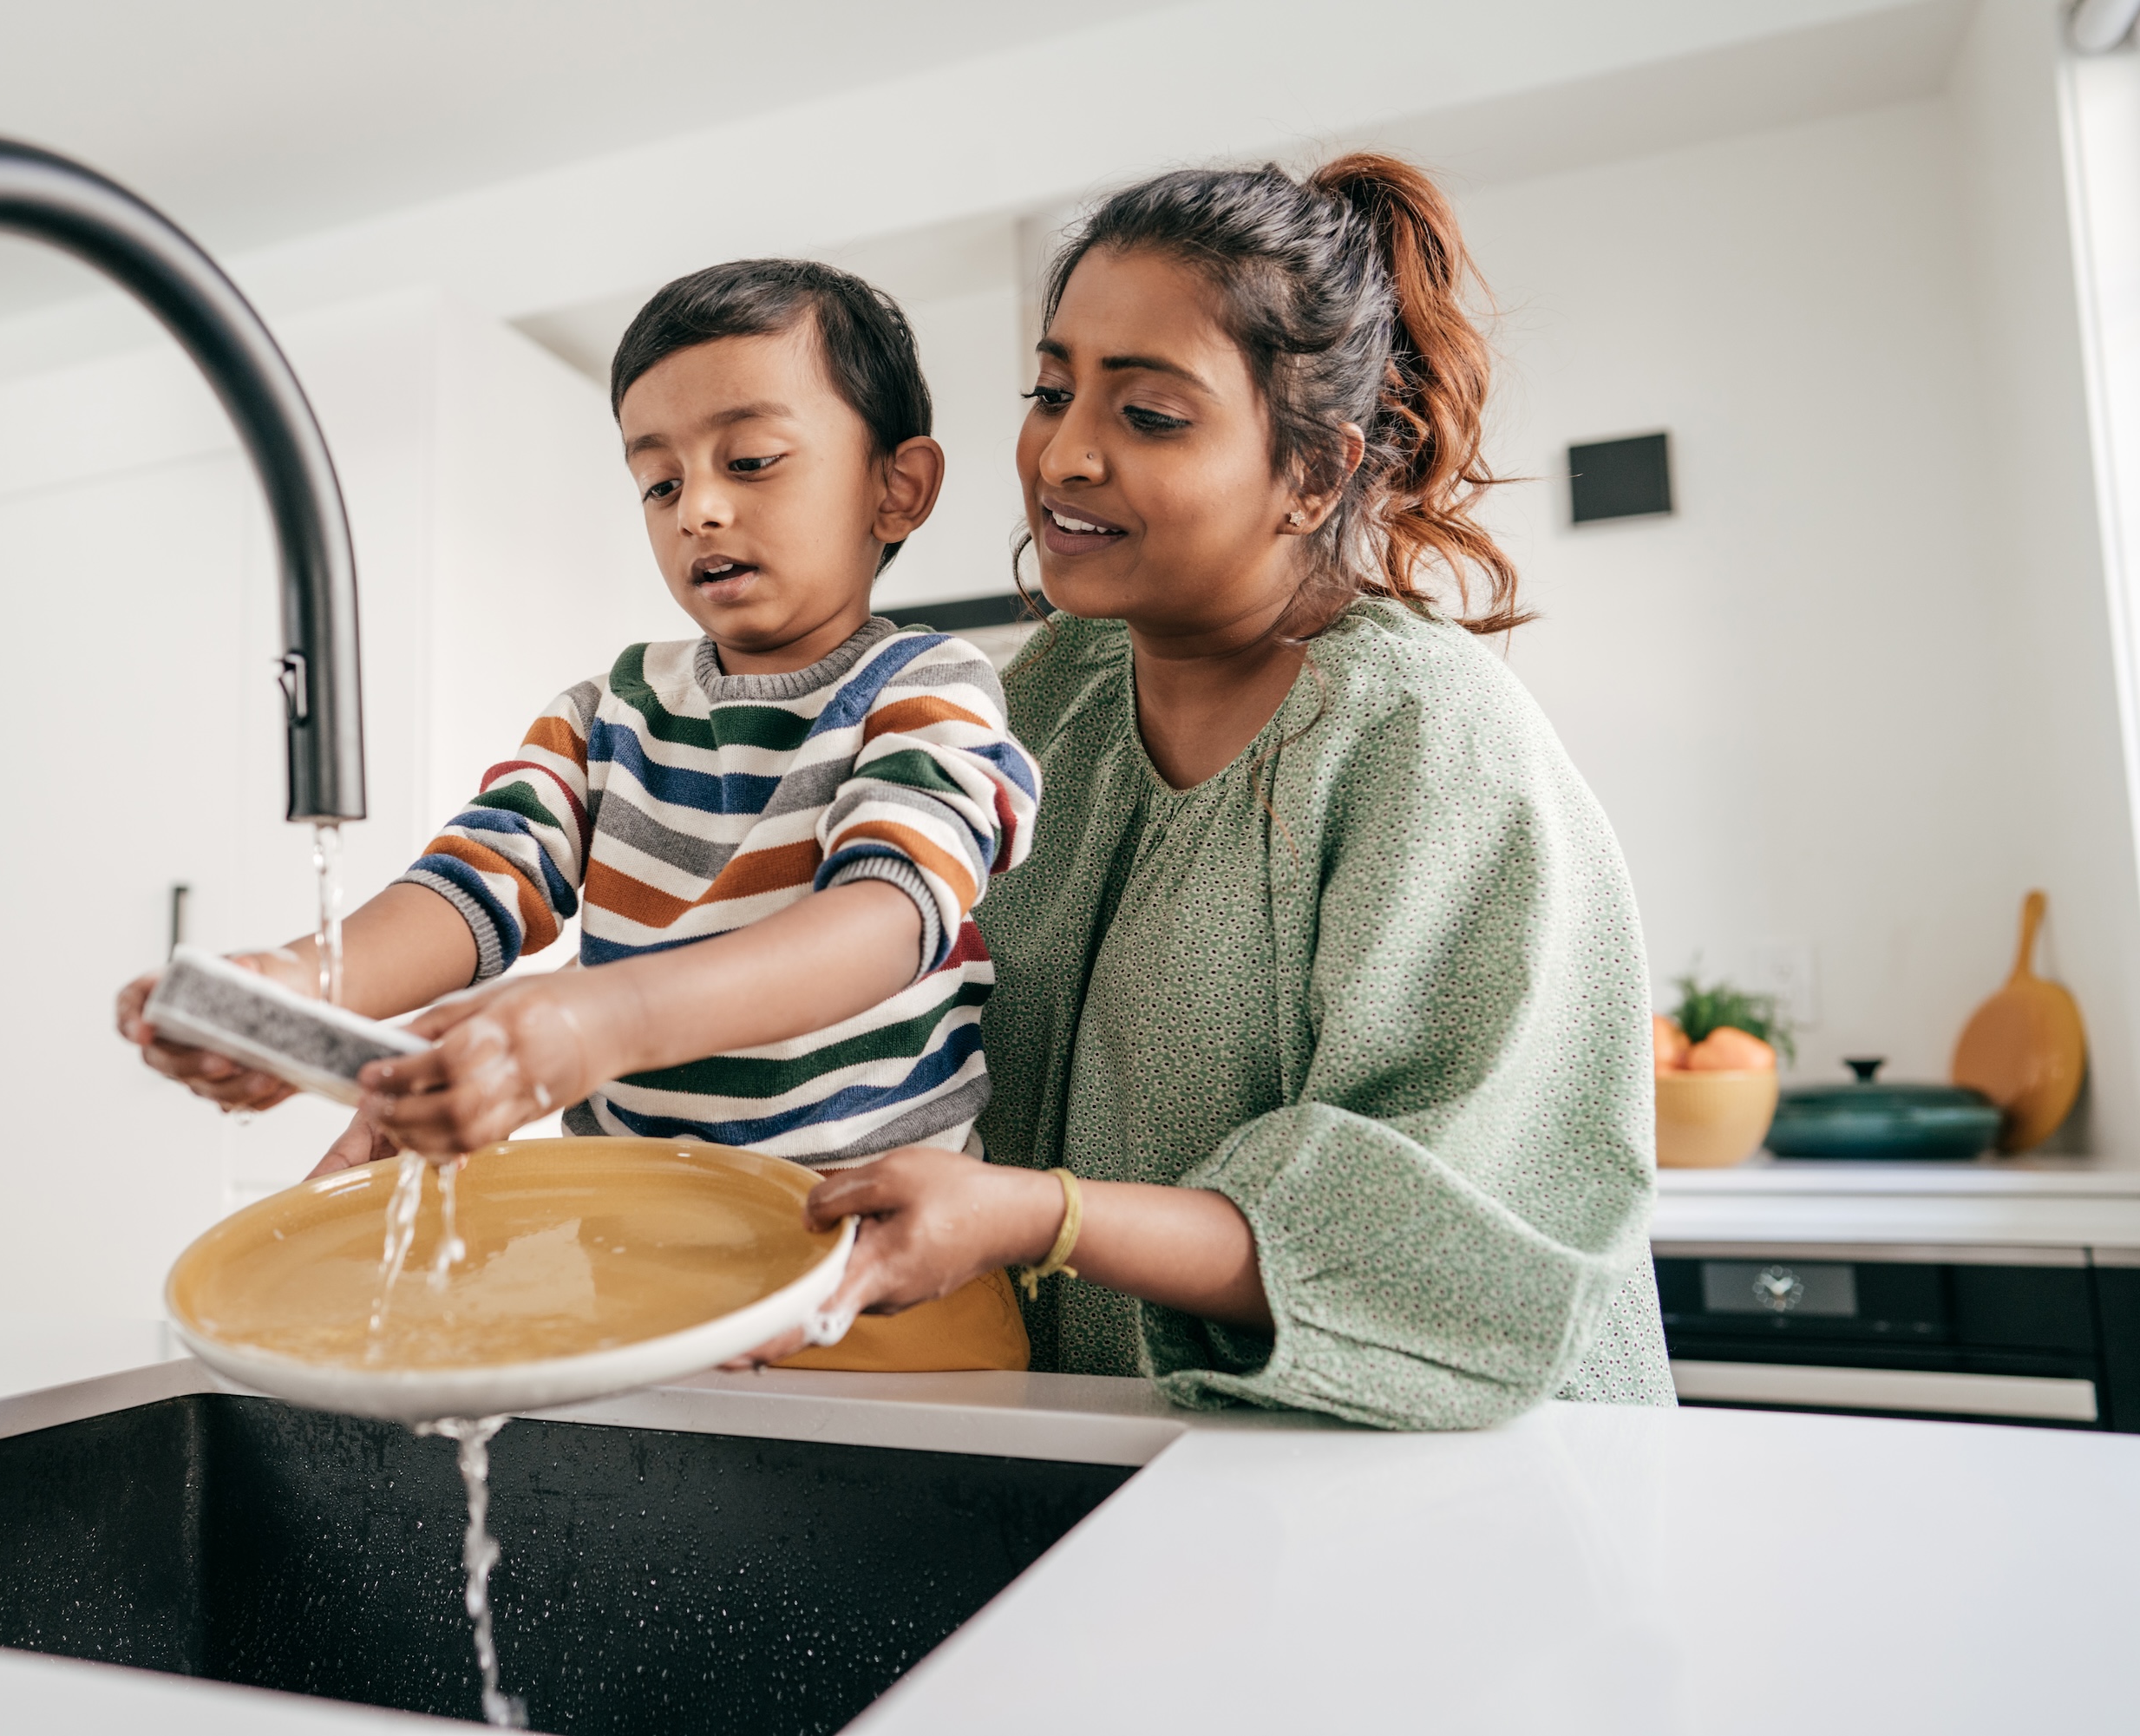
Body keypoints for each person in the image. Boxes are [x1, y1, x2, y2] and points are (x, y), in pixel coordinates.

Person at [737, 157, 1675, 1429]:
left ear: (1316, 472)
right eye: (1053, 389)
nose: (1063, 454)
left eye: (1150, 415)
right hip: (1128, 1472)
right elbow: (846, 993)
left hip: (1461, 1508)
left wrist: (1042, 1215)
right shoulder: (1043, 700)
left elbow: (1452, 1258)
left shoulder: (1427, 743)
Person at [117, 259, 1042, 1368]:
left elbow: (887, 922)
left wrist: (600, 1022)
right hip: (646, 1284)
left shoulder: (929, 687)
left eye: (749, 460)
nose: (699, 506)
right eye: (658, 483)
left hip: (885, 1289)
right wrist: (300, 991)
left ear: (898, 488)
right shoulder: (612, 711)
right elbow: (472, 884)